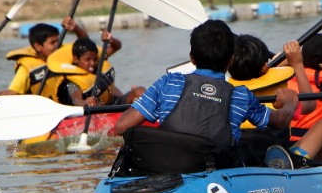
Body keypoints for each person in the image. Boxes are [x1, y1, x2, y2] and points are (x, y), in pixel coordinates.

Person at [112, 20, 300, 174]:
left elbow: (121, 126)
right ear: (231, 59)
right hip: (216, 172)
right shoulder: (240, 95)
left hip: (164, 167)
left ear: (192, 57)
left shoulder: (169, 82)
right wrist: (290, 102)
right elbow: (281, 121)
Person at [227, 35, 322, 167]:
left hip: (243, 155)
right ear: (264, 67)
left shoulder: (225, 91)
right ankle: (318, 170)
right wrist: (297, 64)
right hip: (278, 154)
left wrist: (272, 67)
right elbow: (309, 104)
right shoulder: (279, 92)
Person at [0, 18, 94, 97]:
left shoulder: (63, 51)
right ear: (38, 46)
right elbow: (13, 92)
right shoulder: (27, 67)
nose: (57, 45)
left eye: (58, 41)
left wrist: (76, 29)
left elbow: (86, 46)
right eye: (52, 43)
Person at [60, 35, 143, 107]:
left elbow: (116, 46)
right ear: (75, 59)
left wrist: (112, 40)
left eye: (95, 59)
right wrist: (86, 103)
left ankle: (151, 111)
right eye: (88, 60)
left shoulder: (98, 65)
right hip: (100, 111)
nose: (92, 63)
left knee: (139, 91)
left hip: (116, 103)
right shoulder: (73, 82)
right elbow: (76, 100)